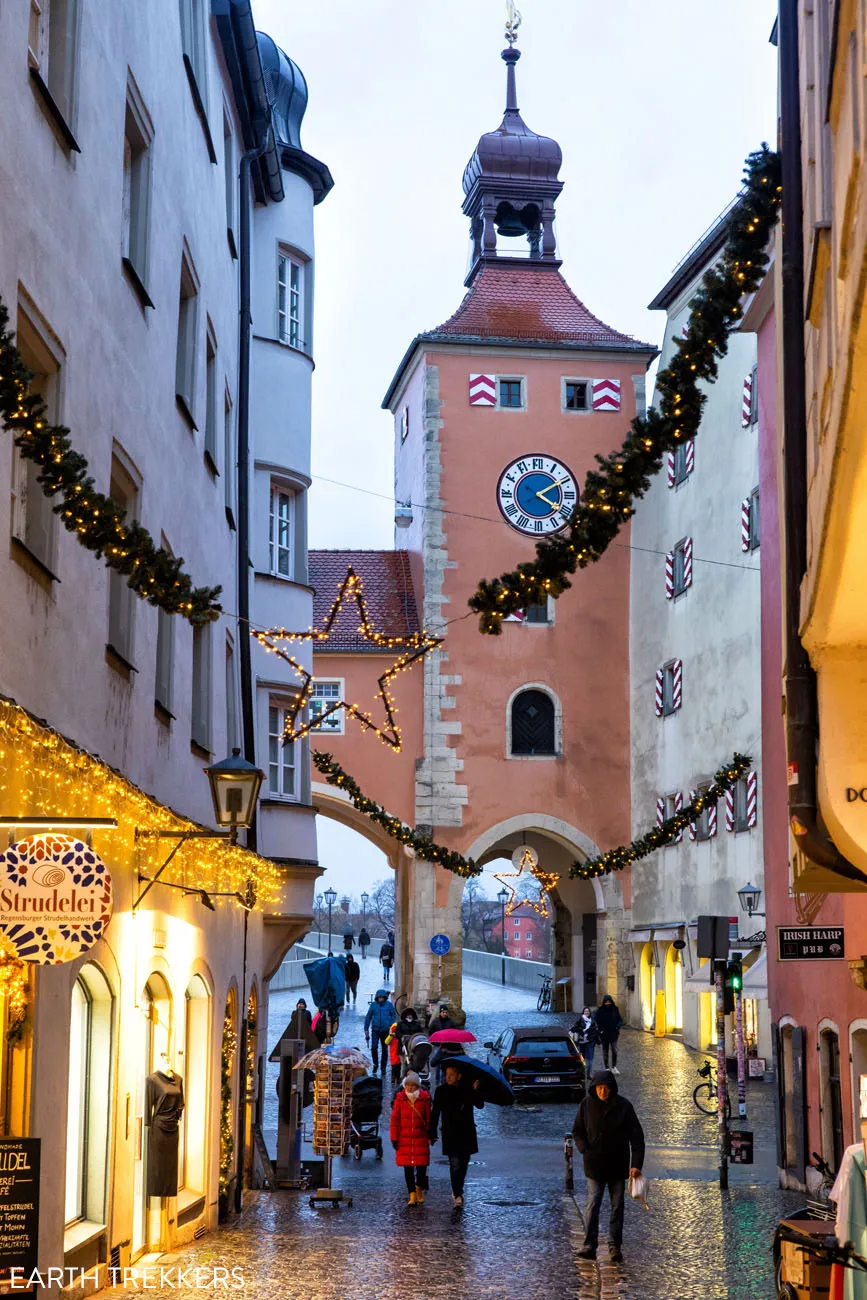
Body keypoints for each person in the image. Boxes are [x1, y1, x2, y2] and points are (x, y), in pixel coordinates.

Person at [572, 1070, 645, 1263]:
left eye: (606, 1088)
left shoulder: (624, 1107)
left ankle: (614, 1246)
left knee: (617, 1207)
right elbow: (577, 1131)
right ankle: (590, 1245)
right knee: (593, 1204)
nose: (602, 1092)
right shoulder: (586, 1105)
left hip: (617, 1165)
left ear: (612, 1089)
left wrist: (636, 1165)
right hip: (594, 1165)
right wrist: (584, 1149)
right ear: (594, 1088)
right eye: (599, 1088)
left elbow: (637, 1138)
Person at [430, 1063, 484, 1209]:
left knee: (464, 1163)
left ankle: (458, 1189)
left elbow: (480, 1104)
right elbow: (435, 1112)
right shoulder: (441, 1091)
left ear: (459, 1076)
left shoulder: (467, 1089)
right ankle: (457, 1193)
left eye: (451, 1074)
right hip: (450, 1132)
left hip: (466, 1132)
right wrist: (432, 1132)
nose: (448, 1077)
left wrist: (476, 1090)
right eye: (447, 1074)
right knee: (455, 1164)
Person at [390, 1071, 432, 1205]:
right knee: (407, 1169)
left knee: (421, 1168)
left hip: (420, 1139)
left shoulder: (424, 1099)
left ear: (417, 1086)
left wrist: (431, 1135)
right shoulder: (400, 1099)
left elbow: (429, 1119)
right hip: (404, 1139)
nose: (409, 1088)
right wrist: (394, 1138)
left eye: (412, 1086)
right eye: (407, 1085)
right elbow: (395, 1120)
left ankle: (419, 1188)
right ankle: (412, 1194)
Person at [364, 989, 395, 1075]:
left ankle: (383, 1067)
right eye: (379, 997)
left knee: (384, 1049)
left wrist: (390, 1023)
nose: (380, 999)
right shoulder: (373, 1005)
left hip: (385, 1030)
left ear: (384, 998)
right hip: (375, 1030)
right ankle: (375, 1064)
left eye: (382, 997)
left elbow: (393, 1015)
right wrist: (366, 1028)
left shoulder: (389, 1005)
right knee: (374, 1048)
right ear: (377, 998)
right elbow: (368, 1016)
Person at [595, 994, 624, 1073]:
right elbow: (596, 1021)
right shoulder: (600, 1010)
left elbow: (620, 1019)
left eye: (609, 1002)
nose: (608, 1004)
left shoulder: (615, 1009)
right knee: (605, 1051)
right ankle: (607, 1067)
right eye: (606, 1002)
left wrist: (618, 1026)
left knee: (614, 1050)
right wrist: (600, 1030)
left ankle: (614, 1066)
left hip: (613, 1033)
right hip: (604, 1034)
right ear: (604, 1003)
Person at [571, 1006, 600, 1073]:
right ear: (583, 1012)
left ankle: (588, 1073)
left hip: (590, 1042)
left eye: (588, 1011)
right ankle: (582, 1072)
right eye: (585, 1011)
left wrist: (590, 1033)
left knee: (590, 1060)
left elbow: (595, 1031)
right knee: (582, 1058)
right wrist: (582, 1030)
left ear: (589, 1012)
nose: (586, 1012)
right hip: (582, 1042)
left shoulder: (593, 1021)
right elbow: (575, 1028)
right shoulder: (580, 1019)